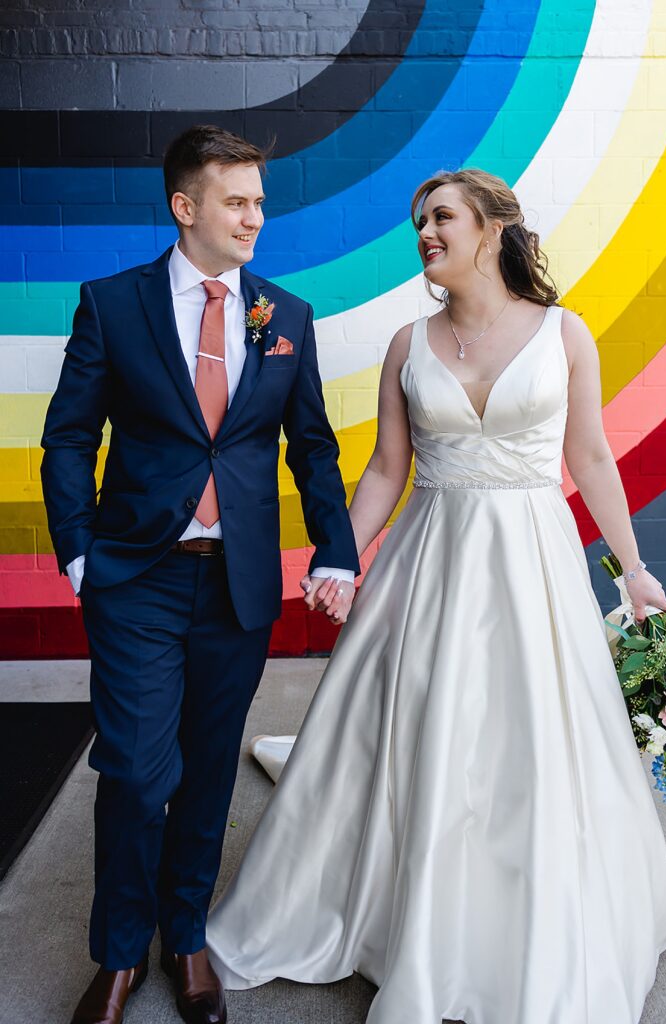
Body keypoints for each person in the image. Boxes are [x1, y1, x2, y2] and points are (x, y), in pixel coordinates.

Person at [206, 169, 666, 1024]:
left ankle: (520, 923)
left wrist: (634, 568)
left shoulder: (565, 334)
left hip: (532, 565)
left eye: (442, 217)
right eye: (419, 221)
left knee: (529, 737)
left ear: (493, 227)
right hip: (430, 561)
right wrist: (340, 558)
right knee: (420, 722)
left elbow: (593, 458)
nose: (425, 231)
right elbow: (390, 467)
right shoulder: (407, 343)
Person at [40, 124, 359, 1024]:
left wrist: (336, 547)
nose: (256, 216)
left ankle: (185, 940)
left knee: (211, 770)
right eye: (237, 201)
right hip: (135, 575)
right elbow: (69, 438)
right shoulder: (111, 303)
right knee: (141, 772)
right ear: (186, 208)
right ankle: (116, 954)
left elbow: (312, 447)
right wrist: (79, 552)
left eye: (260, 200)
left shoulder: (285, 316)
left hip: (238, 584)